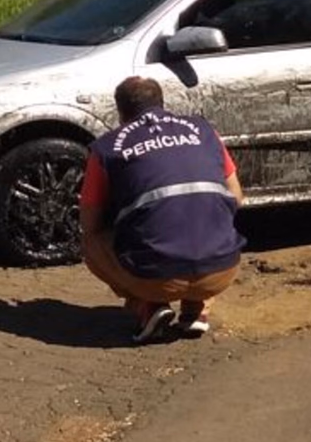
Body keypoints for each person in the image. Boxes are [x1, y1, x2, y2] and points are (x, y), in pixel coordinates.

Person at [79, 76, 246, 344]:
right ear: (162, 103)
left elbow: (89, 222)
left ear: (120, 112)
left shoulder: (107, 148)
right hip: (222, 268)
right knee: (202, 218)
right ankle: (197, 308)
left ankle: (148, 306)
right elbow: (237, 198)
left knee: (91, 242)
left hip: (155, 276)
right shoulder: (203, 130)